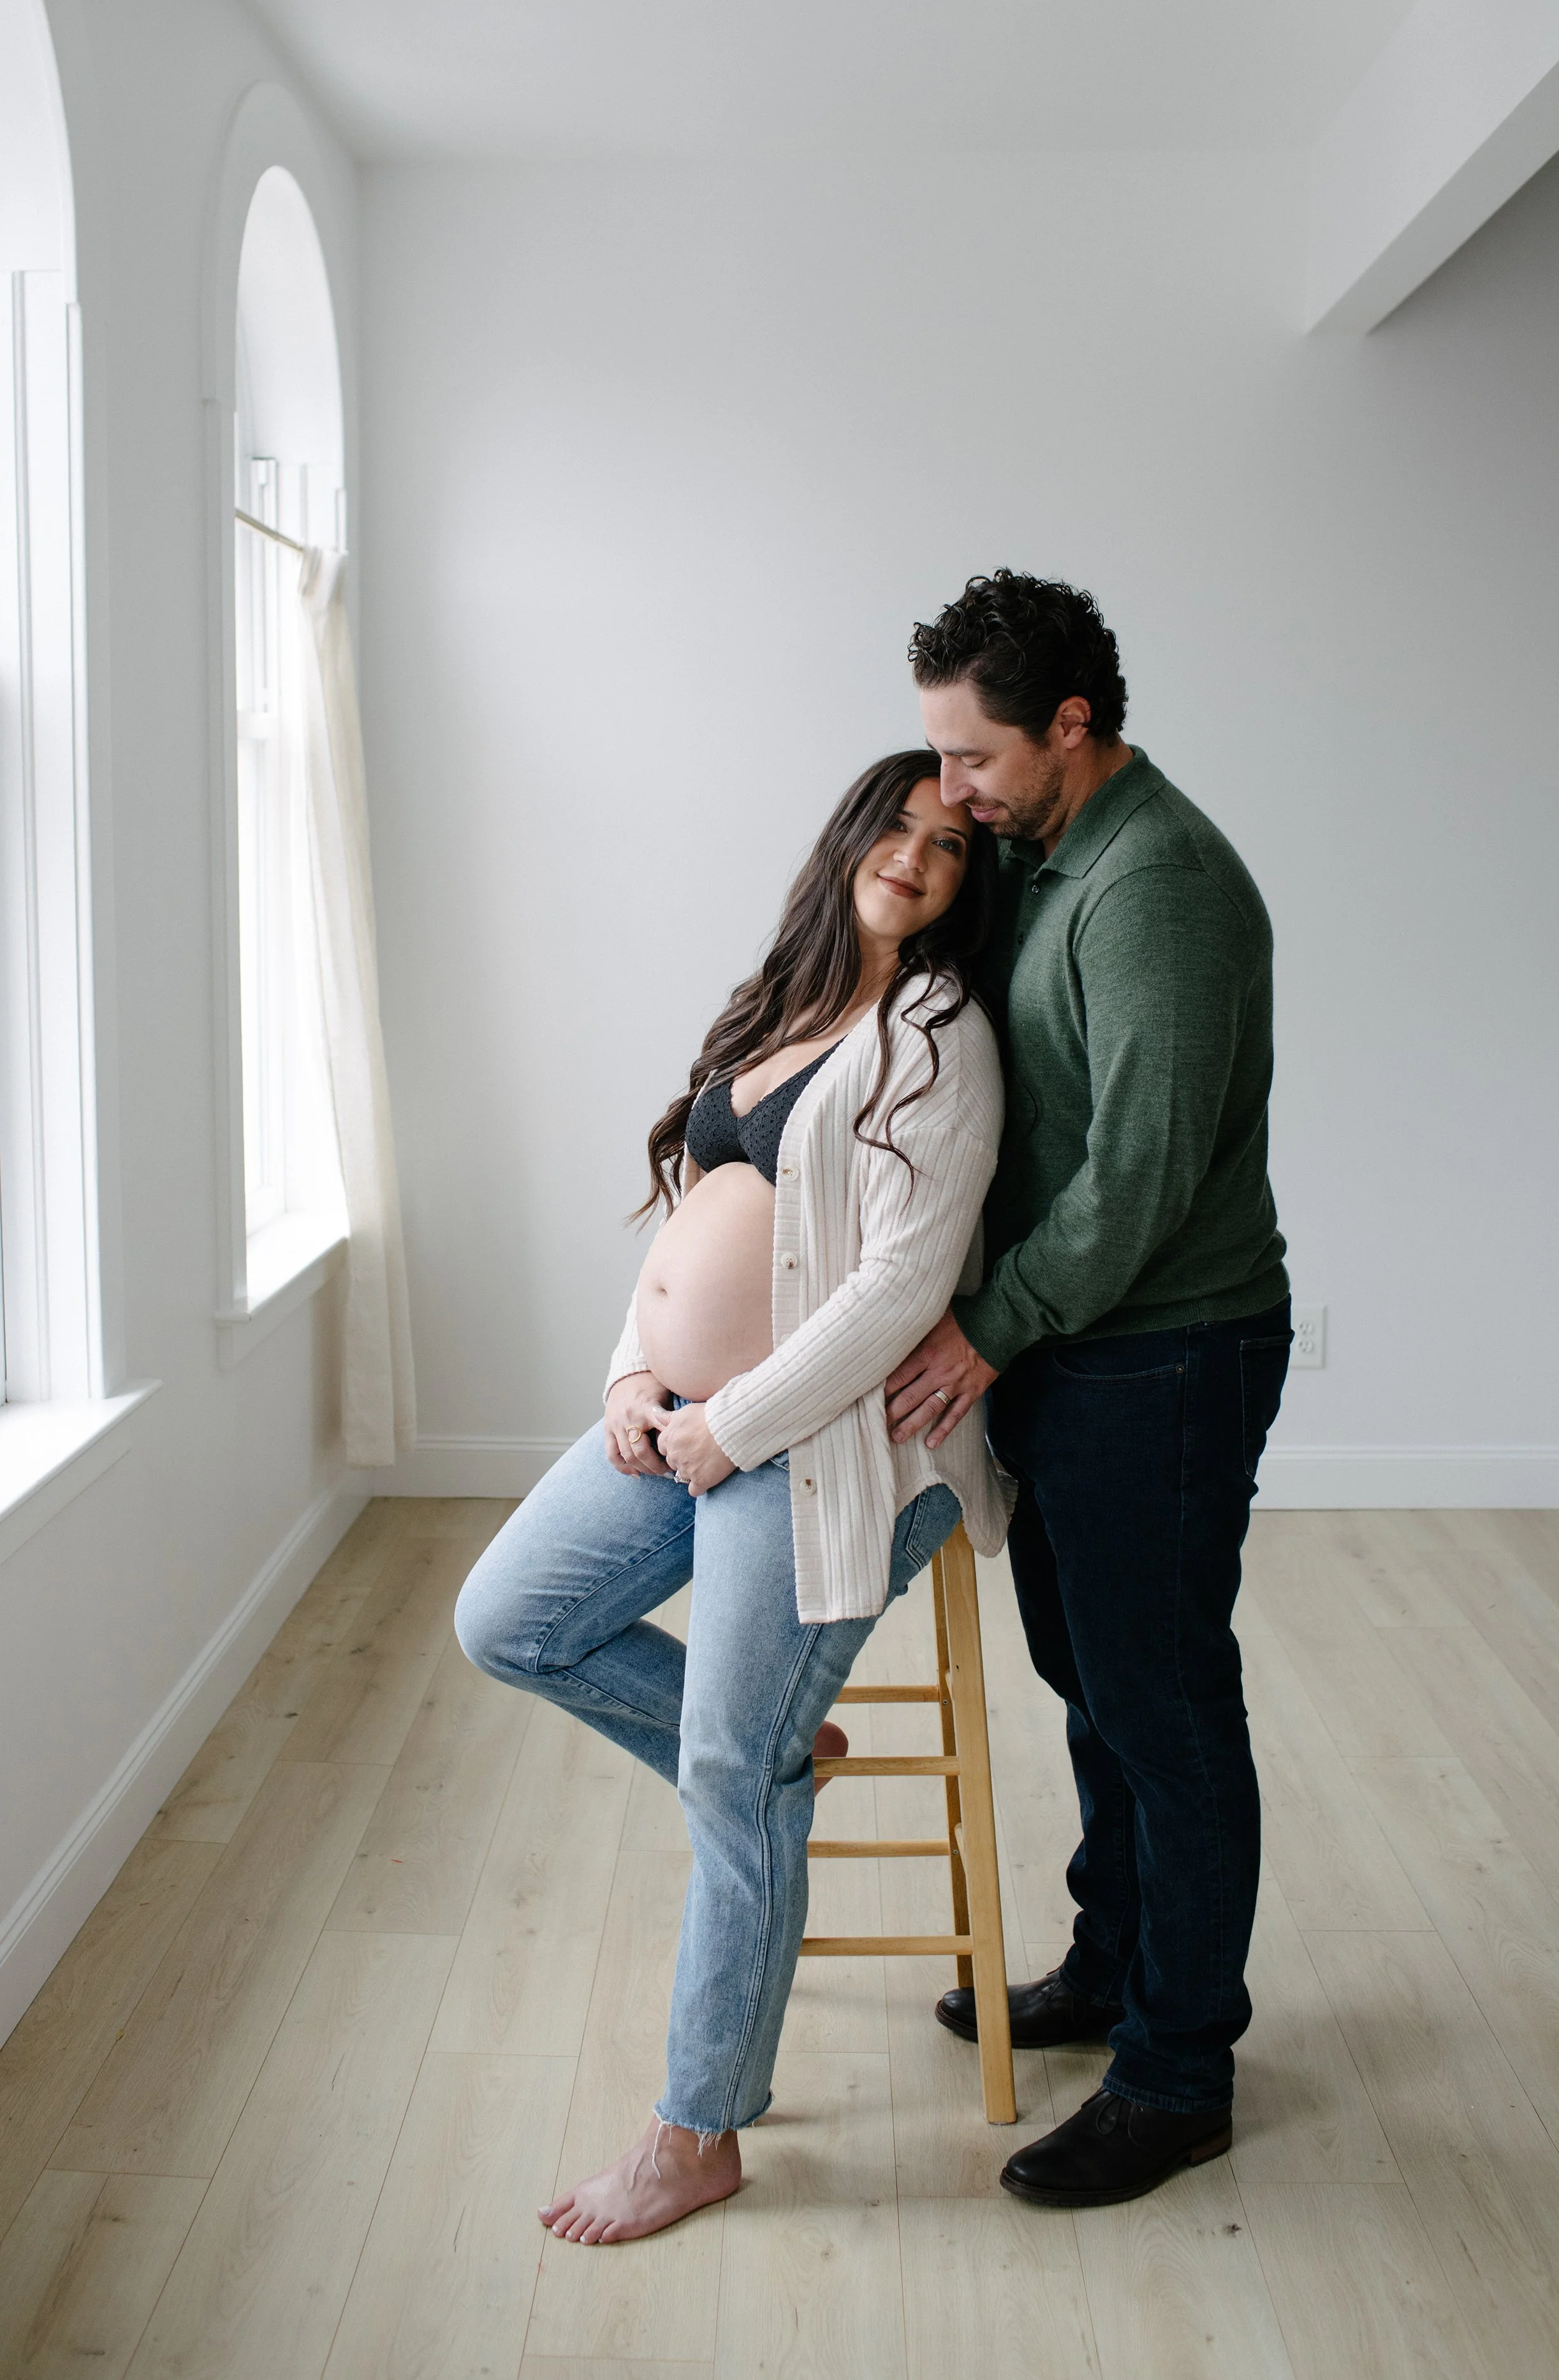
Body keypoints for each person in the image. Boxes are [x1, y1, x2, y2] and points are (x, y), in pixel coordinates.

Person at [455, 750, 1013, 2244]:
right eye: (892, 829)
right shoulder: (779, 1006)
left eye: (946, 847)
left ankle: (698, 2130)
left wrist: (738, 1426)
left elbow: (903, 1280)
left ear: (966, 886)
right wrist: (632, 1382)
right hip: (680, 1423)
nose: (912, 857)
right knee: (506, 1619)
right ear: (844, 842)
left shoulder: (938, 1033)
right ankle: (774, 1740)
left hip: (836, 1450)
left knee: (726, 1777)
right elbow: (690, 1224)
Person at [886, 571, 1291, 2210]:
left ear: (1069, 726)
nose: (952, 793)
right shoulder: (1048, 855)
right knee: (1093, 1679)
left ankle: (1177, 2070)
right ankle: (1112, 1965)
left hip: (1163, 1355)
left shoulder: (1160, 888)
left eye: (971, 759)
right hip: (1078, 1348)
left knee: (1165, 1707)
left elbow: (1135, 1178)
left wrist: (982, 1332)